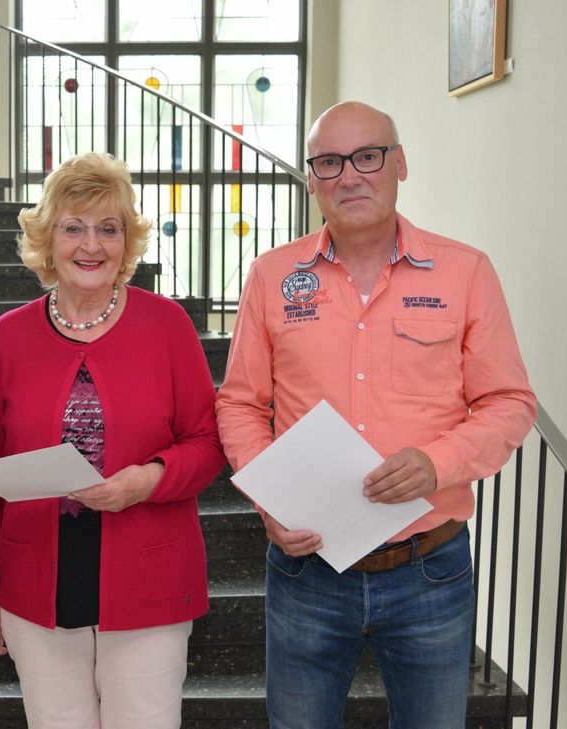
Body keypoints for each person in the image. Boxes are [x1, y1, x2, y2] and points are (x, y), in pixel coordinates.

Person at [215, 101, 537, 729]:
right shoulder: (272, 277)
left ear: (400, 165)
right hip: (306, 569)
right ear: (311, 179)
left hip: (429, 570)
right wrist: (268, 497)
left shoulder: (465, 273)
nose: (349, 176)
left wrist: (437, 463)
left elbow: (510, 402)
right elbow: (241, 403)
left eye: (368, 156)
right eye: (329, 162)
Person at [0, 151, 225, 729]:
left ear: (126, 242)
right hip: (36, 581)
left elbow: (208, 443)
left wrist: (147, 480)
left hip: (149, 577)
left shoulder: (168, 325)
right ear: (47, 239)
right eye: (73, 227)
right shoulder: (7, 337)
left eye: (109, 229)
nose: (91, 245)